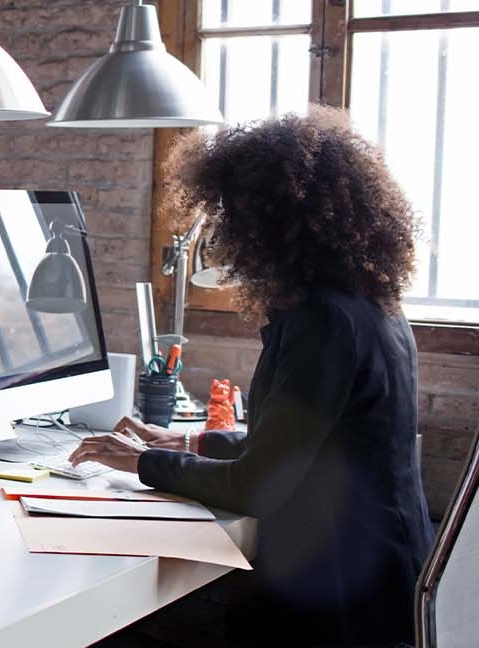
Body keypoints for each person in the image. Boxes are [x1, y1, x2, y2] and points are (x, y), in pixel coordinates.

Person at [70, 108, 433, 646]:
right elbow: (307, 443)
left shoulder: (323, 322)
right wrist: (190, 439)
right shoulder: (371, 305)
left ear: (269, 224)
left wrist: (141, 461)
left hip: (340, 604)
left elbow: (261, 486)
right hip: (382, 574)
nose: (222, 233)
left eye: (229, 217)